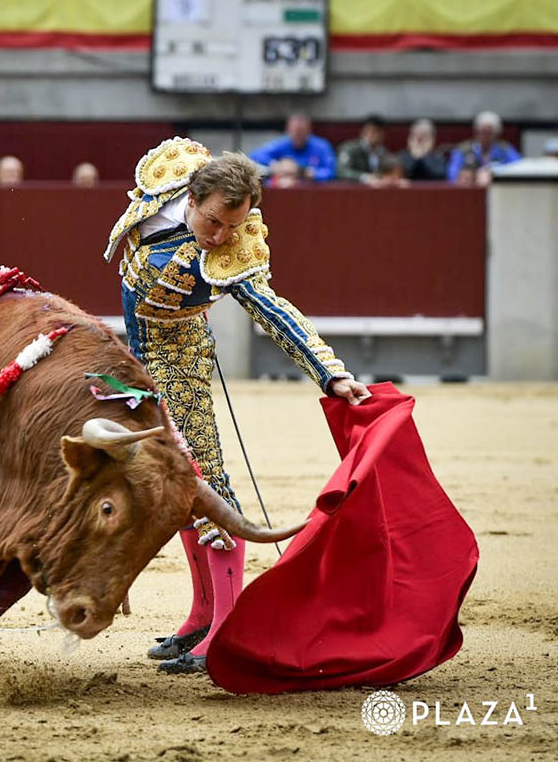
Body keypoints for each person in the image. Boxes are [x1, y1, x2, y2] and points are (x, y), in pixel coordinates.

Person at [103, 138, 370, 674]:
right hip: (137, 360)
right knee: (177, 489)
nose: (221, 237)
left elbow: (273, 309)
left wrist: (330, 373)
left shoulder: (234, 250)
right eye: (214, 222)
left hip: (179, 364)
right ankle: (202, 614)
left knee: (206, 486)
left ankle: (225, 628)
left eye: (233, 225)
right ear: (191, 197)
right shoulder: (168, 177)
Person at [248, 113, 336, 182]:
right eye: (295, 131)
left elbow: (331, 172)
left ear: (309, 131)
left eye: (302, 131)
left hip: (312, 191)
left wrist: (312, 173)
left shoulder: (321, 146)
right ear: (288, 130)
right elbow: (254, 156)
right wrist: (275, 165)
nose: (298, 135)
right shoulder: (281, 144)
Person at [446, 111, 521, 186]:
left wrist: (493, 172)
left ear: (497, 133)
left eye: (489, 132)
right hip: (469, 188)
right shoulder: (462, 150)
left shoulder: (505, 149)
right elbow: (451, 176)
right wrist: (473, 177)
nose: (485, 136)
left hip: (498, 188)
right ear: (476, 131)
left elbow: (519, 169)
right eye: (482, 131)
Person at [336, 114, 387, 185]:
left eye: (379, 132)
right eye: (372, 131)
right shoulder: (349, 148)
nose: (376, 135)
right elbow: (341, 172)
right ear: (363, 132)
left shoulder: (382, 151)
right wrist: (365, 177)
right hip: (353, 188)